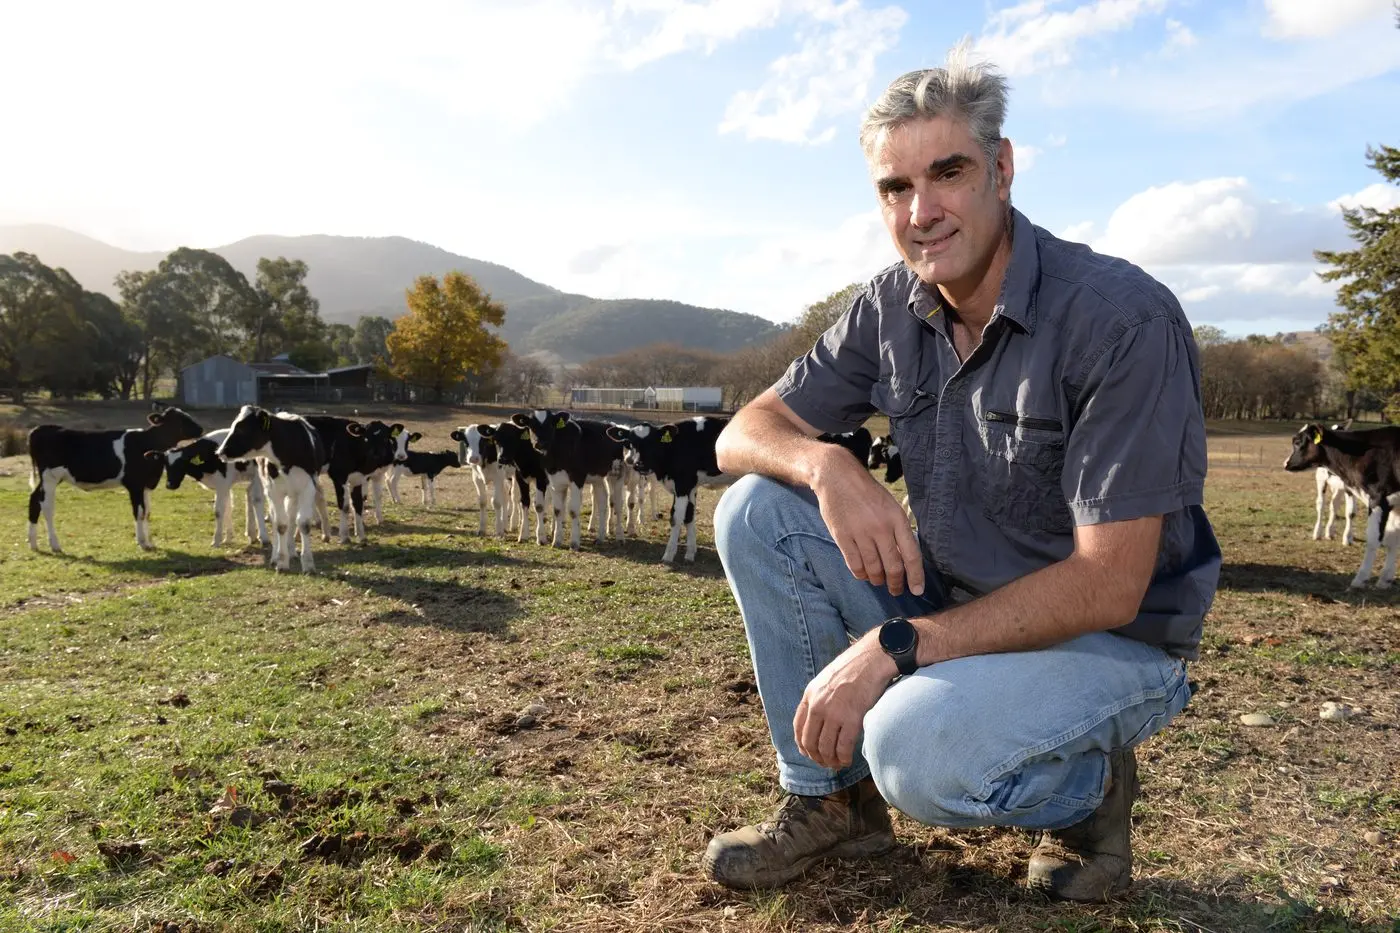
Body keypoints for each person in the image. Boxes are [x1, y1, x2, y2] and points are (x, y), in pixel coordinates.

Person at [702, 44, 1221, 903]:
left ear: (1003, 169)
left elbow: (1109, 584)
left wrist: (895, 645)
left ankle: (1090, 794)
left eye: (947, 172)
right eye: (894, 188)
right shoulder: (887, 305)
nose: (921, 210)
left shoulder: (1120, 320)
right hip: (954, 602)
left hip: (1106, 641)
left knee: (913, 750)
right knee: (757, 508)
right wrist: (827, 462)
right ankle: (831, 803)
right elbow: (745, 432)